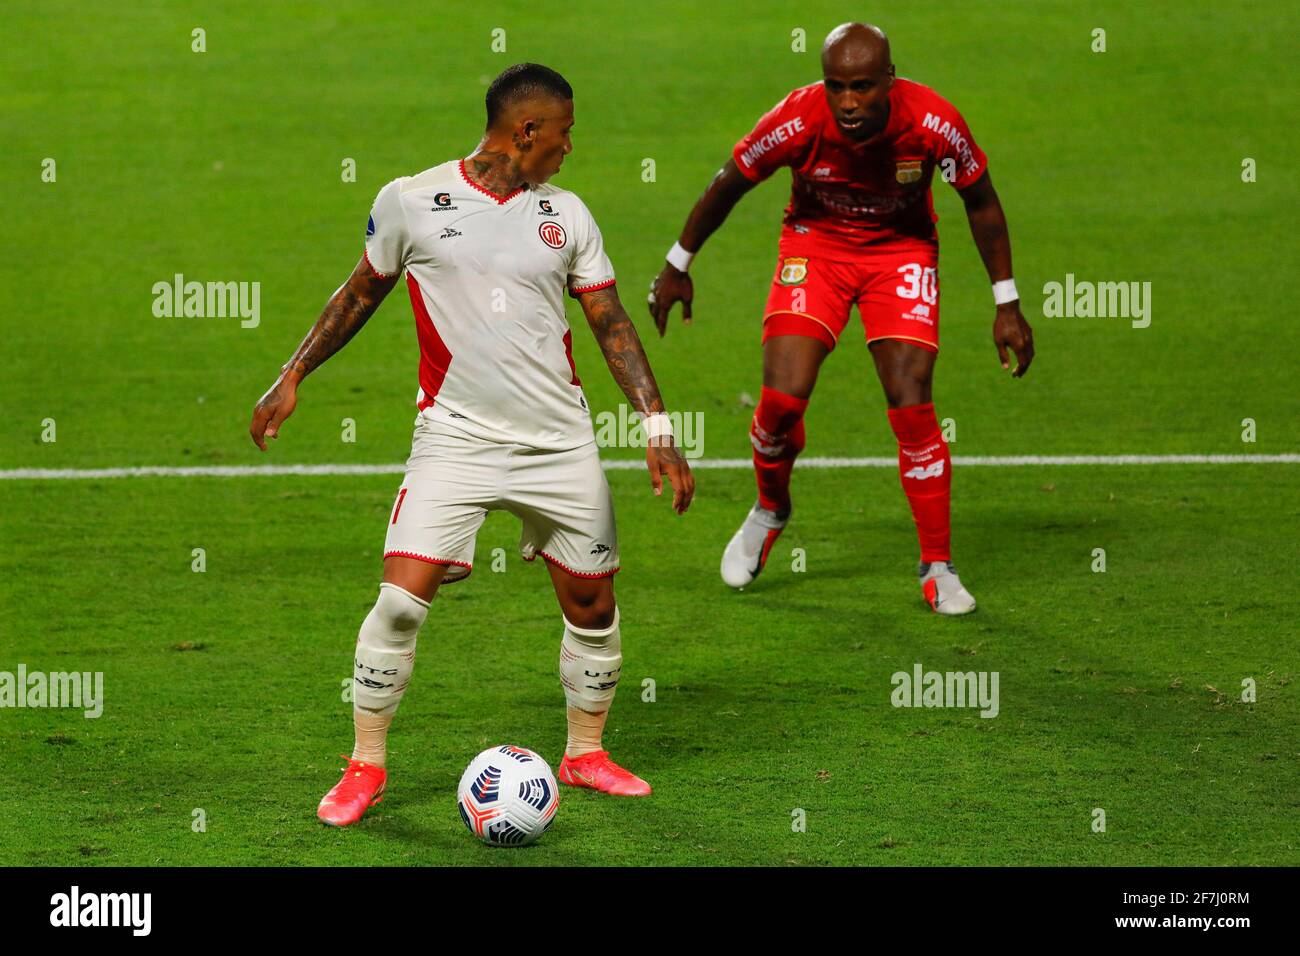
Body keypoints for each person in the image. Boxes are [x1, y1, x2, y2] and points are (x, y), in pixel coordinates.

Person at [249, 63, 694, 826]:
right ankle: (366, 766)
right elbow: (359, 291)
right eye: (563, 133)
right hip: (454, 439)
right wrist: (293, 373)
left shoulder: (569, 215)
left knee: (592, 604)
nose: (569, 148)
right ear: (526, 131)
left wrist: (656, 424)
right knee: (398, 602)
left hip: (558, 444)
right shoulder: (411, 200)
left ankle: (585, 754)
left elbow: (610, 322)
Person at [648, 23, 1033, 614]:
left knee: (911, 399)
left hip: (899, 252)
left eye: (861, 87)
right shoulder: (796, 119)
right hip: (815, 248)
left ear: (889, 80)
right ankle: (771, 508)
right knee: (780, 404)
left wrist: (1006, 302)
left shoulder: (933, 122)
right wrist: (678, 265)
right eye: (836, 86)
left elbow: (981, 201)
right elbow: (730, 182)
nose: (848, 102)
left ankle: (937, 566)